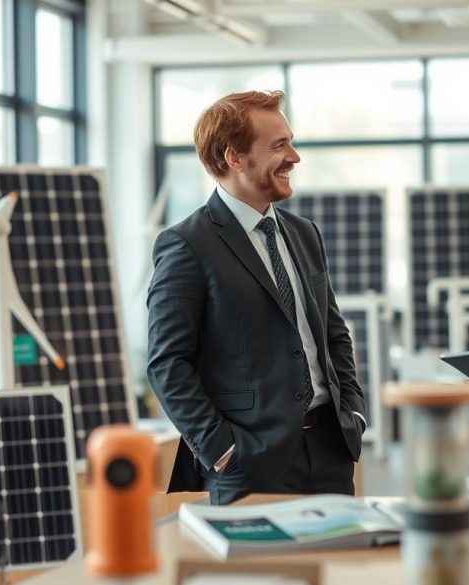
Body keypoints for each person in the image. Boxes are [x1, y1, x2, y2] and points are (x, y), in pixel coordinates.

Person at [146, 90, 366, 505]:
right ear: (234, 157)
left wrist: (353, 411)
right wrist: (222, 450)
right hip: (248, 465)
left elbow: (333, 334)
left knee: (338, 568)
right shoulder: (186, 245)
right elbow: (167, 364)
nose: (295, 157)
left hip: (330, 453)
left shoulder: (304, 234)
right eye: (279, 145)